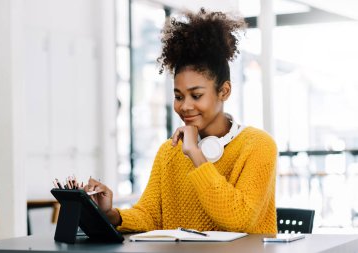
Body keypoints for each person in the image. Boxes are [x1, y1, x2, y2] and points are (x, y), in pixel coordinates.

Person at [85, 8, 277, 234]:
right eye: (178, 96)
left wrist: (196, 154)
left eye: (196, 95)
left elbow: (239, 220)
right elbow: (149, 216)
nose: (185, 106)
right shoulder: (170, 152)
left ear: (224, 91)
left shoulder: (258, 146)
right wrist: (112, 214)